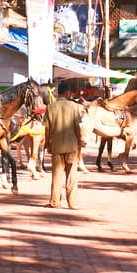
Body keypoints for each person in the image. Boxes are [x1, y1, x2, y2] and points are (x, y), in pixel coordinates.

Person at [43, 80, 85, 209]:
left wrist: (48, 144)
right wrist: (79, 143)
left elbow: (47, 129)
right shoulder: (74, 106)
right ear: (67, 93)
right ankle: (72, 203)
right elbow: (78, 127)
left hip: (56, 145)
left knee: (57, 175)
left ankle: (55, 202)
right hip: (72, 146)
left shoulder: (50, 107)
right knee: (72, 175)